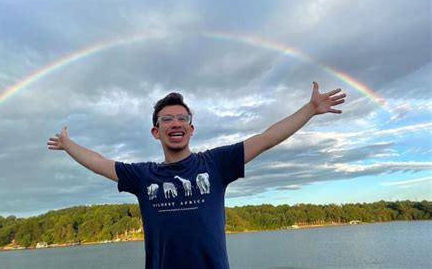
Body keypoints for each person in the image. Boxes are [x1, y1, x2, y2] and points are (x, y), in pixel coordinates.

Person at [47, 81, 346, 269]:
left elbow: (267, 137)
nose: (175, 123)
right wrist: (68, 144)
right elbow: (99, 162)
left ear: (191, 128)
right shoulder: (143, 176)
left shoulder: (216, 164)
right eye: (167, 119)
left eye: (182, 118)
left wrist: (309, 109)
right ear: (156, 131)